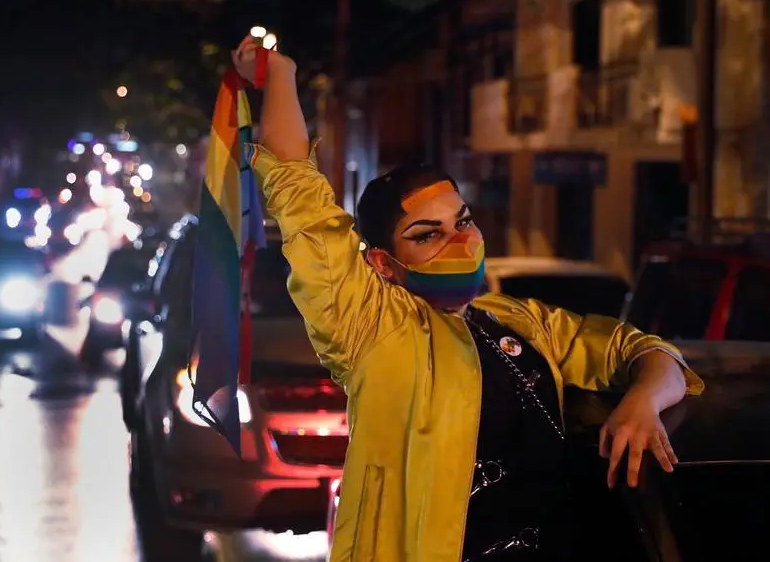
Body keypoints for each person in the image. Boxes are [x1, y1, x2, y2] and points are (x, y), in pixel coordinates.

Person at [232, 39, 704, 562]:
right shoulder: (370, 326)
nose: (459, 240)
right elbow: (299, 193)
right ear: (384, 264)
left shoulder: (518, 319)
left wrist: (643, 402)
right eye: (428, 234)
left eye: (463, 221)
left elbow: (646, 352)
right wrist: (280, 72)